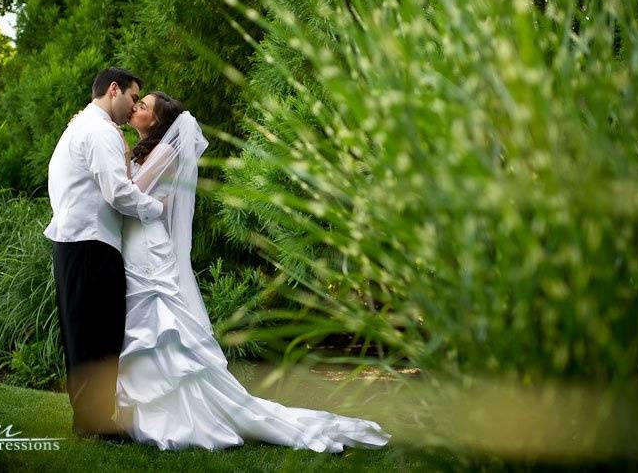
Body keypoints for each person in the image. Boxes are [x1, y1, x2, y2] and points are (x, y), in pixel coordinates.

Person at [116, 91, 392, 452]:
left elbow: (131, 190)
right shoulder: (147, 151)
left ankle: (181, 417)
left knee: (160, 330)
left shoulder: (166, 152)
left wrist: (119, 153)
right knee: (146, 330)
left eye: (143, 106)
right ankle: (145, 410)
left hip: (149, 249)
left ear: (157, 121)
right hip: (137, 241)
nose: (136, 108)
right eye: (137, 104)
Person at [44, 67, 165, 439]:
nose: (132, 109)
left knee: (85, 329)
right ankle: (95, 423)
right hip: (90, 243)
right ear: (114, 90)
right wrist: (156, 209)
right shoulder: (98, 130)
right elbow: (117, 192)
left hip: (75, 239)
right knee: (97, 331)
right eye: (131, 97)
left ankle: (90, 420)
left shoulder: (81, 127)